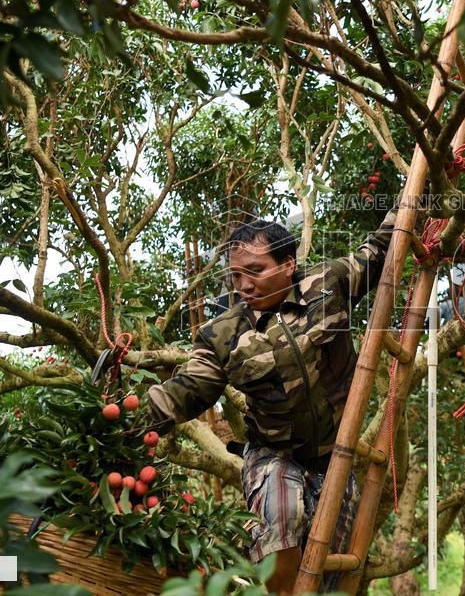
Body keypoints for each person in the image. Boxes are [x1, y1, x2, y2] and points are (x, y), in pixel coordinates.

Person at [146, 208, 399, 594]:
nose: (244, 285)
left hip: (337, 456)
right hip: (273, 454)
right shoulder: (224, 333)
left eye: (255, 270)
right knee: (282, 518)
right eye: (236, 276)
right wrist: (123, 421)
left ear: (288, 264)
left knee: (334, 574)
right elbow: (186, 390)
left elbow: (382, 246)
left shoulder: (328, 283)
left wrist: (425, 188)